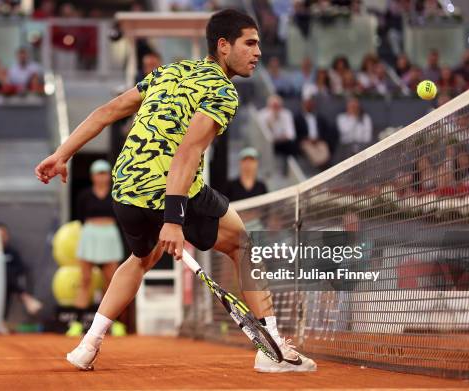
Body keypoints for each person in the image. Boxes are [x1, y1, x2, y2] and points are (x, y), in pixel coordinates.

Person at [35, 9, 316, 373]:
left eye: (258, 44)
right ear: (223, 45)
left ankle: (88, 345)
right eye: (250, 43)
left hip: (125, 191)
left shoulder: (170, 71)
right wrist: (172, 219)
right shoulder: (222, 92)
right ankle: (274, 347)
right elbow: (187, 152)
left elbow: (107, 111)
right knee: (242, 244)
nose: (258, 52)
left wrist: (61, 155)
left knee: (141, 259)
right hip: (168, 189)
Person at [68, 159, 124, 336]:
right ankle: (77, 323)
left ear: (109, 175)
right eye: (98, 173)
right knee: (85, 280)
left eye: (105, 173)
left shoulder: (116, 193)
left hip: (110, 237)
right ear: (93, 176)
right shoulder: (84, 195)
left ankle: (113, 324)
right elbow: (79, 217)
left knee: (111, 283)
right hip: (90, 236)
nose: (102, 177)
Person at [0, 223, 43, 328]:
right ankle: (25, 297)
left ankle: (2, 320)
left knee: (7, 276)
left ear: (7, 236)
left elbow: (21, 268)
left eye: (3, 236)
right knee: (5, 274)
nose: (1, 239)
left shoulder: (12, 252)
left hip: (8, 285)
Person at [258, 94, 297, 160]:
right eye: (274, 106)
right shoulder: (262, 115)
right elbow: (267, 137)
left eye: (278, 106)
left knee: (292, 145)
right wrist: (271, 121)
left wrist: (281, 138)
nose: (276, 109)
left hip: (284, 143)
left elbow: (291, 134)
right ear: (268, 106)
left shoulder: (286, 114)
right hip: (269, 145)